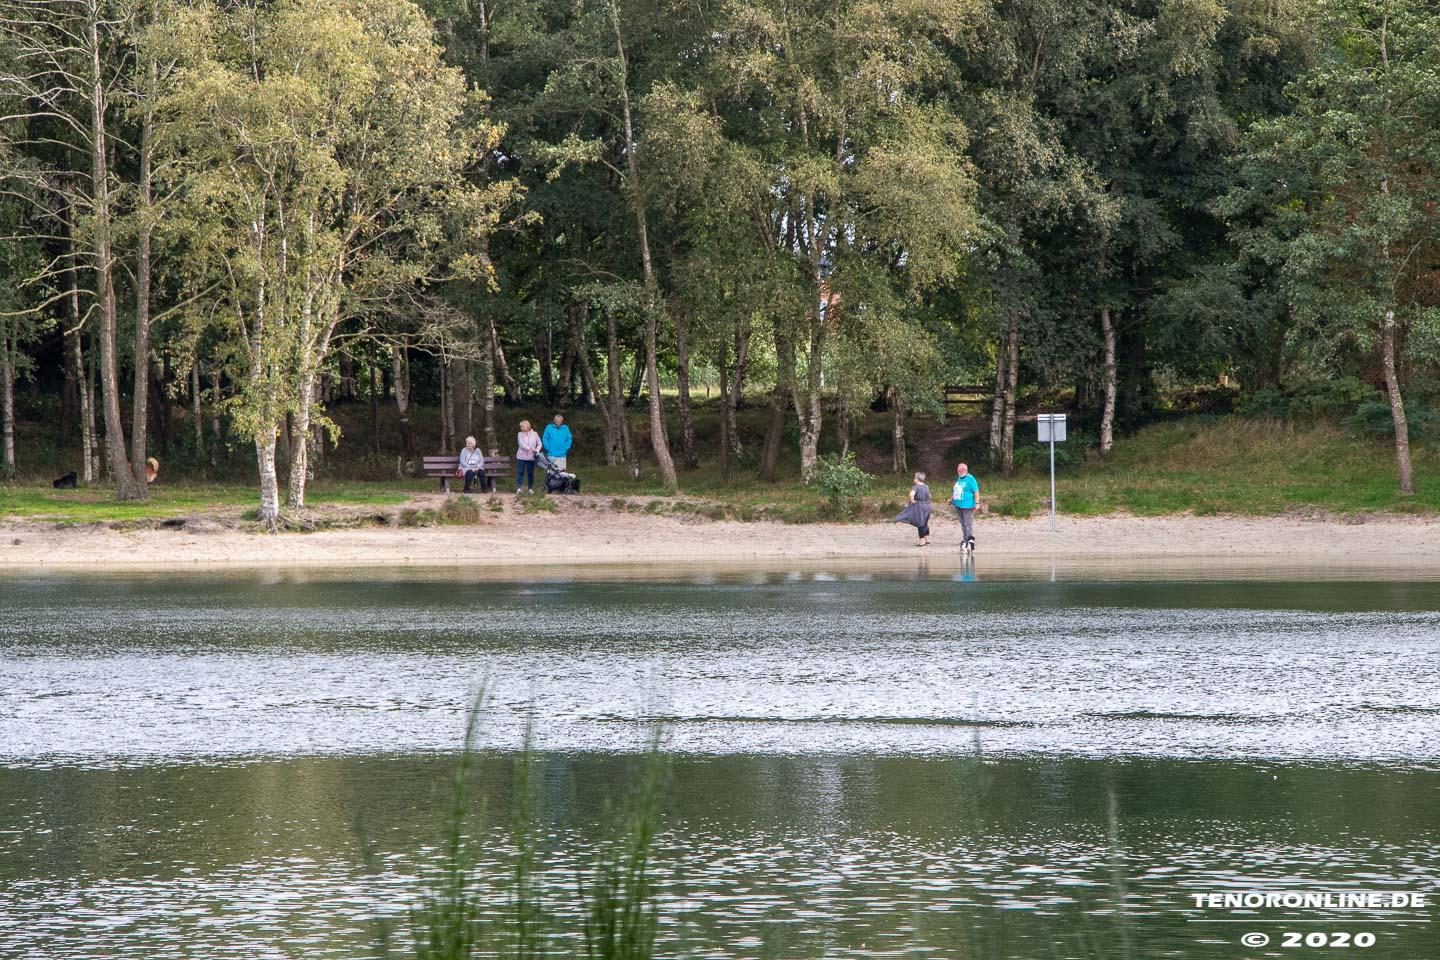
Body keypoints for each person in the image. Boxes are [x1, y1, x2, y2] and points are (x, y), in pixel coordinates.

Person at [893, 471, 933, 547]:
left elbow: (911, 494)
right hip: (927, 506)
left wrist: (913, 501)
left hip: (919, 506)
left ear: (917, 479)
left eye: (914, 478)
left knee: (920, 523)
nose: (914, 479)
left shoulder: (916, 487)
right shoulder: (926, 487)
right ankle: (926, 539)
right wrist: (927, 502)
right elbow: (930, 496)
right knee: (925, 522)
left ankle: (922, 542)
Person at [952, 462, 980, 550]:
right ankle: (965, 538)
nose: (958, 472)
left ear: (965, 470)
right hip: (958, 504)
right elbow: (956, 491)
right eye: (958, 471)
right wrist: (951, 499)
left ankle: (970, 540)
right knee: (962, 522)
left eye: (960, 471)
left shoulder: (971, 479)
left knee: (968, 523)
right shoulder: (959, 478)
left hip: (967, 505)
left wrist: (977, 503)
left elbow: (976, 491)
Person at [515, 420, 542, 493]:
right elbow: (521, 444)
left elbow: (539, 443)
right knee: (520, 472)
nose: (520, 428)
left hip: (531, 457)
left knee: (530, 473)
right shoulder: (520, 434)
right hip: (521, 457)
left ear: (526, 426)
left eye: (522, 426)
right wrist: (529, 448)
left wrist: (537, 450)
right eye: (520, 427)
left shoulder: (535, 434)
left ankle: (530, 488)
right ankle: (519, 488)